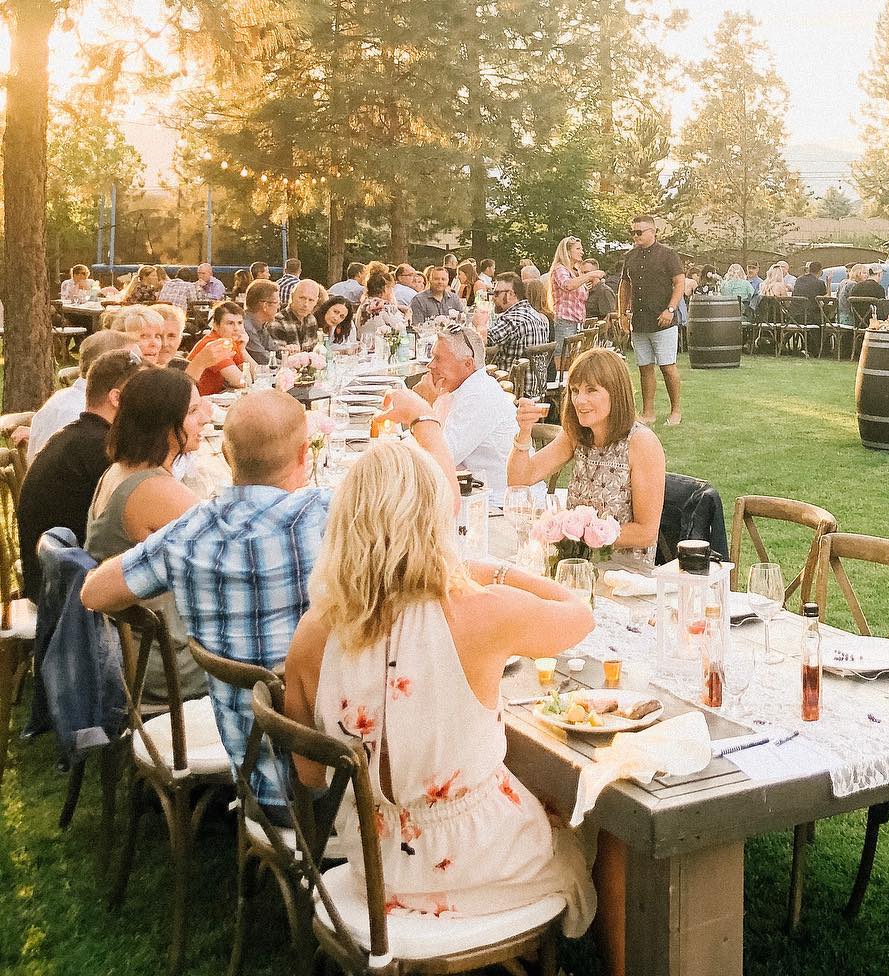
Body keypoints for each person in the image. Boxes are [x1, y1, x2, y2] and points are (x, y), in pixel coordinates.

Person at [82, 388, 458, 812]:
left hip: (258, 784)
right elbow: (441, 506)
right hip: (347, 792)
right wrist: (426, 420)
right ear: (304, 455)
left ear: (226, 456)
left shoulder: (184, 532)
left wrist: (162, 604)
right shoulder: (330, 516)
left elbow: (93, 592)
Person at [283, 441, 598, 937]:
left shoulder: (311, 634)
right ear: (431, 522)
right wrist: (494, 570)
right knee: (594, 820)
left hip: (377, 861)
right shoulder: (479, 611)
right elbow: (580, 615)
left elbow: (312, 776)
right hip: (482, 863)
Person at [85, 367, 209, 702]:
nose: (206, 419)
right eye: (194, 412)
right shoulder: (154, 490)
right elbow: (234, 554)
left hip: (137, 648)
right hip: (169, 662)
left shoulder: (120, 470)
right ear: (163, 422)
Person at [510, 348, 664, 574]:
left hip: (624, 574)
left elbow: (646, 533)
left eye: (591, 390)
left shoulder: (641, 443)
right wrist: (524, 432)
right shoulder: (577, 435)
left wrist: (585, 533)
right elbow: (519, 479)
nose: (579, 400)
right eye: (574, 390)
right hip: (576, 567)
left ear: (616, 393)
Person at [18, 350, 140, 601]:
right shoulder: (103, 449)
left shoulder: (77, 436)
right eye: (143, 394)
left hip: (53, 577)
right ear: (116, 398)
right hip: (66, 596)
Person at [388, 325, 517, 496]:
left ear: (467, 364)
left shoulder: (479, 395)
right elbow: (428, 443)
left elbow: (440, 458)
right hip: (465, 491)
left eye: (438, 359)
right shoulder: (453, 389)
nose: (430, 365)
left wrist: (423, 407)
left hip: (495, 503)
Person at [619, 214, 686, 429]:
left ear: (653, 232)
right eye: (633, 232)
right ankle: (648, 412)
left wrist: (670, 309)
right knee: (644, 367)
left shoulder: (668, 255)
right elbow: (625, 286)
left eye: (639, 232)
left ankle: (676, 410)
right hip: (640, 321)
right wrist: (622, 313)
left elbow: (679, 283)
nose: (635, 236)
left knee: (668, 367)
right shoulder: (630, 257)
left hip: (663, 320)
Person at [27, 329, 137, 457]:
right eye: (134, 362)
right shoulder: (82, 414)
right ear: (108, 364)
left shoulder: (66, 396)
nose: (140, 369)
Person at [486, 272, 552, 399]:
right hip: (536, 391)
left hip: (512, 392)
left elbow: (483, 341)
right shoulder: (536, 315)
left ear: (510, 294)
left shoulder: (513, 318)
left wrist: (479, 324)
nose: (493, 298)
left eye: (496, 293)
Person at [549, 237, 603, 347]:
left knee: (574, 358)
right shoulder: (559, 269)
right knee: (564, 358)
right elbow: (568, 285)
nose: (582, 252)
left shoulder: (575, 272)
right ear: (567, 251)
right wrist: (590, 275)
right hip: (565, 321)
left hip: (577, 323)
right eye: (578, 249)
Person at [189, 301, 251, 396]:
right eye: (230, 323)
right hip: (197, 401)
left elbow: (256, 373)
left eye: (240, 323)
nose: (236, 328)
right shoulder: (214, 344)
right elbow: (242, 382)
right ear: (216, 326)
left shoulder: (230, 341)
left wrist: (243, 350)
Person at [355, 269, 407, 347]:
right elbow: (402, 328)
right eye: (391, 287)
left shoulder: (364, 306)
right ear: (385, 288)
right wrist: (408, 313)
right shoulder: (385, 307)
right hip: (382, 349)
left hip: (364, 347)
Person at [267, 278, 322, 351]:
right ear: (292, 296)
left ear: (316, 302)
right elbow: (278, 354)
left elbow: (315, 351)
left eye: (311, 300)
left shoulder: (311, 320)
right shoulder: (278, 321)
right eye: (302, 298)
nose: (306, 304)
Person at [244, 279, 283, 366]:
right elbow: (263, 359)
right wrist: (290, 364)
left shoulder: (260, 324)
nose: (279, 306)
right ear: (265, 305)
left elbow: (273, 350)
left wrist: (290, 353)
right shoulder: (246, 327)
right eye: (277, 302)